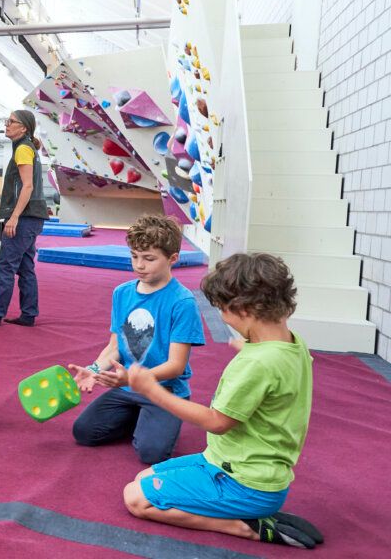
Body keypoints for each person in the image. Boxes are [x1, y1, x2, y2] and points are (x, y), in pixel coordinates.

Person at [122, 253, 322, 549]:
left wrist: (153, 391)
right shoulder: (292, 343)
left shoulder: (257, 364)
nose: (223, 318)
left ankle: (244, 527)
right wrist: (249, 345)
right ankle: (254, 512)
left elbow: (217, 422)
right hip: (235, 468)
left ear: (244, 309)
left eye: (223, 310)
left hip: (243, 483)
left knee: (135, 498)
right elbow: (278, 366)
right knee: (145, 475)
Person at [68, 214, 205, 464]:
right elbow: (114, 347)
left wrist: (132, 378)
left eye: (149, 259)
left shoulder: (182, 302)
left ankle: (155, 419)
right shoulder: (122, 293)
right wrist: (95, 369)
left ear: (173, 259)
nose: (139, 265)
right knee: (84, 432)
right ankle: (137, 416)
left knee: (151, 453)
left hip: (163, 390)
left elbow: (176, 365)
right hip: (126, 386)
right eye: (134, 256)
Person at [0, 110, 48, 327]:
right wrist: (4, 196)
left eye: (12, 122)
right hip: (34, 217)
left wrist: (14, 217)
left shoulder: (22, 149)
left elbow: (28, 186)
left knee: (6, 266)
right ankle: (29, 314)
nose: (7, 125)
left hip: (25, 218)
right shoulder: (27, 148)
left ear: (24, 128)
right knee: (25, 267)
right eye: (7, 121)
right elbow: (24, 184)